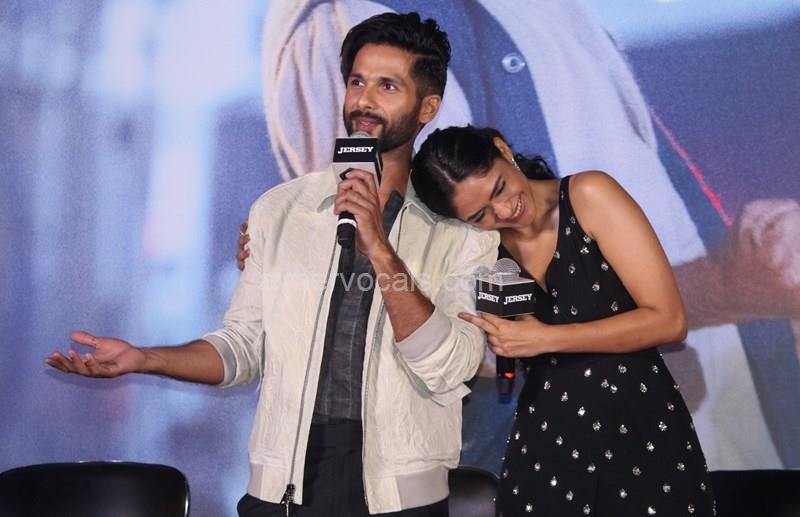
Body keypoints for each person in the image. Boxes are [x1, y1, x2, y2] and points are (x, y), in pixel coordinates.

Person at [253, 0, 799, 470]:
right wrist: (720, 288)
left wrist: (758, 289)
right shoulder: (341, 34)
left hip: (703, 437)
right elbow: (428, 321)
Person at [45, 12, 499, 516]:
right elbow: (244, 347)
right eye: (356, 82)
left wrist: (379, 246)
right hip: (285, 486)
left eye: (387, 86)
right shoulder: (280, 210)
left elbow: (452, 365)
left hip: (397, 496)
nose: (364, 100)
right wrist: (145, 358)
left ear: (427, 107)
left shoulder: (459, 228)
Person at [410, 124, 715, 516]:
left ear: (503, 150)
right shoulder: (483, 248)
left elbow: (669, 320)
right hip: (546, 439)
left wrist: (546, 338)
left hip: (640, 426)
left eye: (499, 188)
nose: (503, 211)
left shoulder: (589, 195)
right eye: (479, 214)